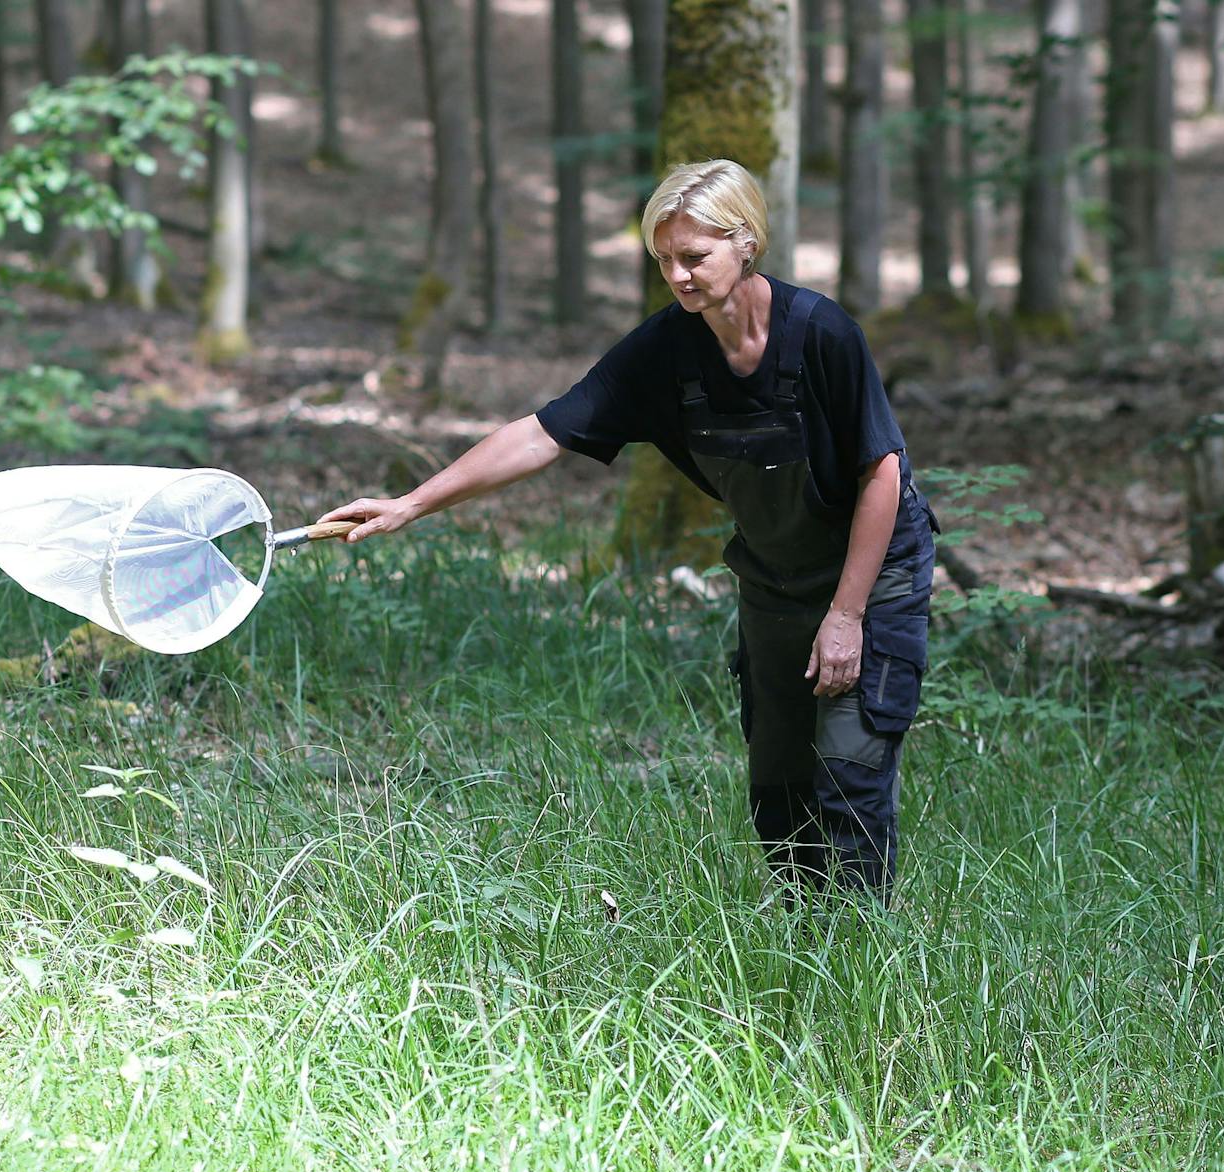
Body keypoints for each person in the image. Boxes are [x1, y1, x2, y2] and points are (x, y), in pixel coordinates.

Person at [318, 159, 936, 902]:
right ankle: (807, 946)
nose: (677, 275)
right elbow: (543, 434)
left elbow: (882, 472)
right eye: (663, 259)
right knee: (780, 792)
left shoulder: (821, 335)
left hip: (873, 575)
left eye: (694, 257)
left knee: (849, 776)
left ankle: (861, 962)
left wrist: (847, 615)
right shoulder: (665, 352)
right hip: (774, 579)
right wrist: (411, 503)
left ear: (747, 243)